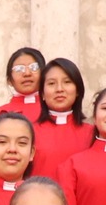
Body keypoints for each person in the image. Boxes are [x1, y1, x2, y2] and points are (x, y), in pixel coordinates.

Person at [27, 58, 93, 186]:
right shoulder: (29, 132)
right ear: (42, 94)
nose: (59, 89)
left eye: (67, 82)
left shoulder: (93, 133)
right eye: (51, 83)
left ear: (78, 90)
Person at [0, 46, 45, 125]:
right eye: (19, 69)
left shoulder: (56, 113)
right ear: (9, 80)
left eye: (34, 67)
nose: (27, 73)